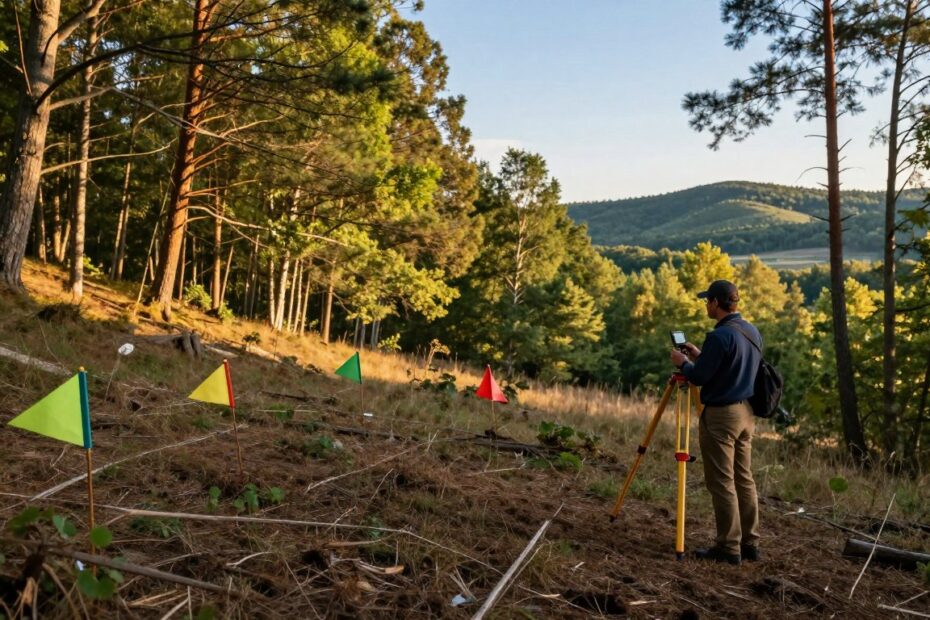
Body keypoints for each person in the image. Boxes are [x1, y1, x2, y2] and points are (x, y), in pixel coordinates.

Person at [669, 279, 762, 566]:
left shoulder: (720, 336)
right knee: (744, 478)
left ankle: (728, 547)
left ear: (715, 303)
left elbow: (699, 378)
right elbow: (729, 367)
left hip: (722, 415)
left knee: (722, 482)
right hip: (746, 413)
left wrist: (683, 363)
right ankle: (750, 543)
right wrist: (701, 356)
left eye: (707, 301)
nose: (706, 305)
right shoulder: (750, 331)